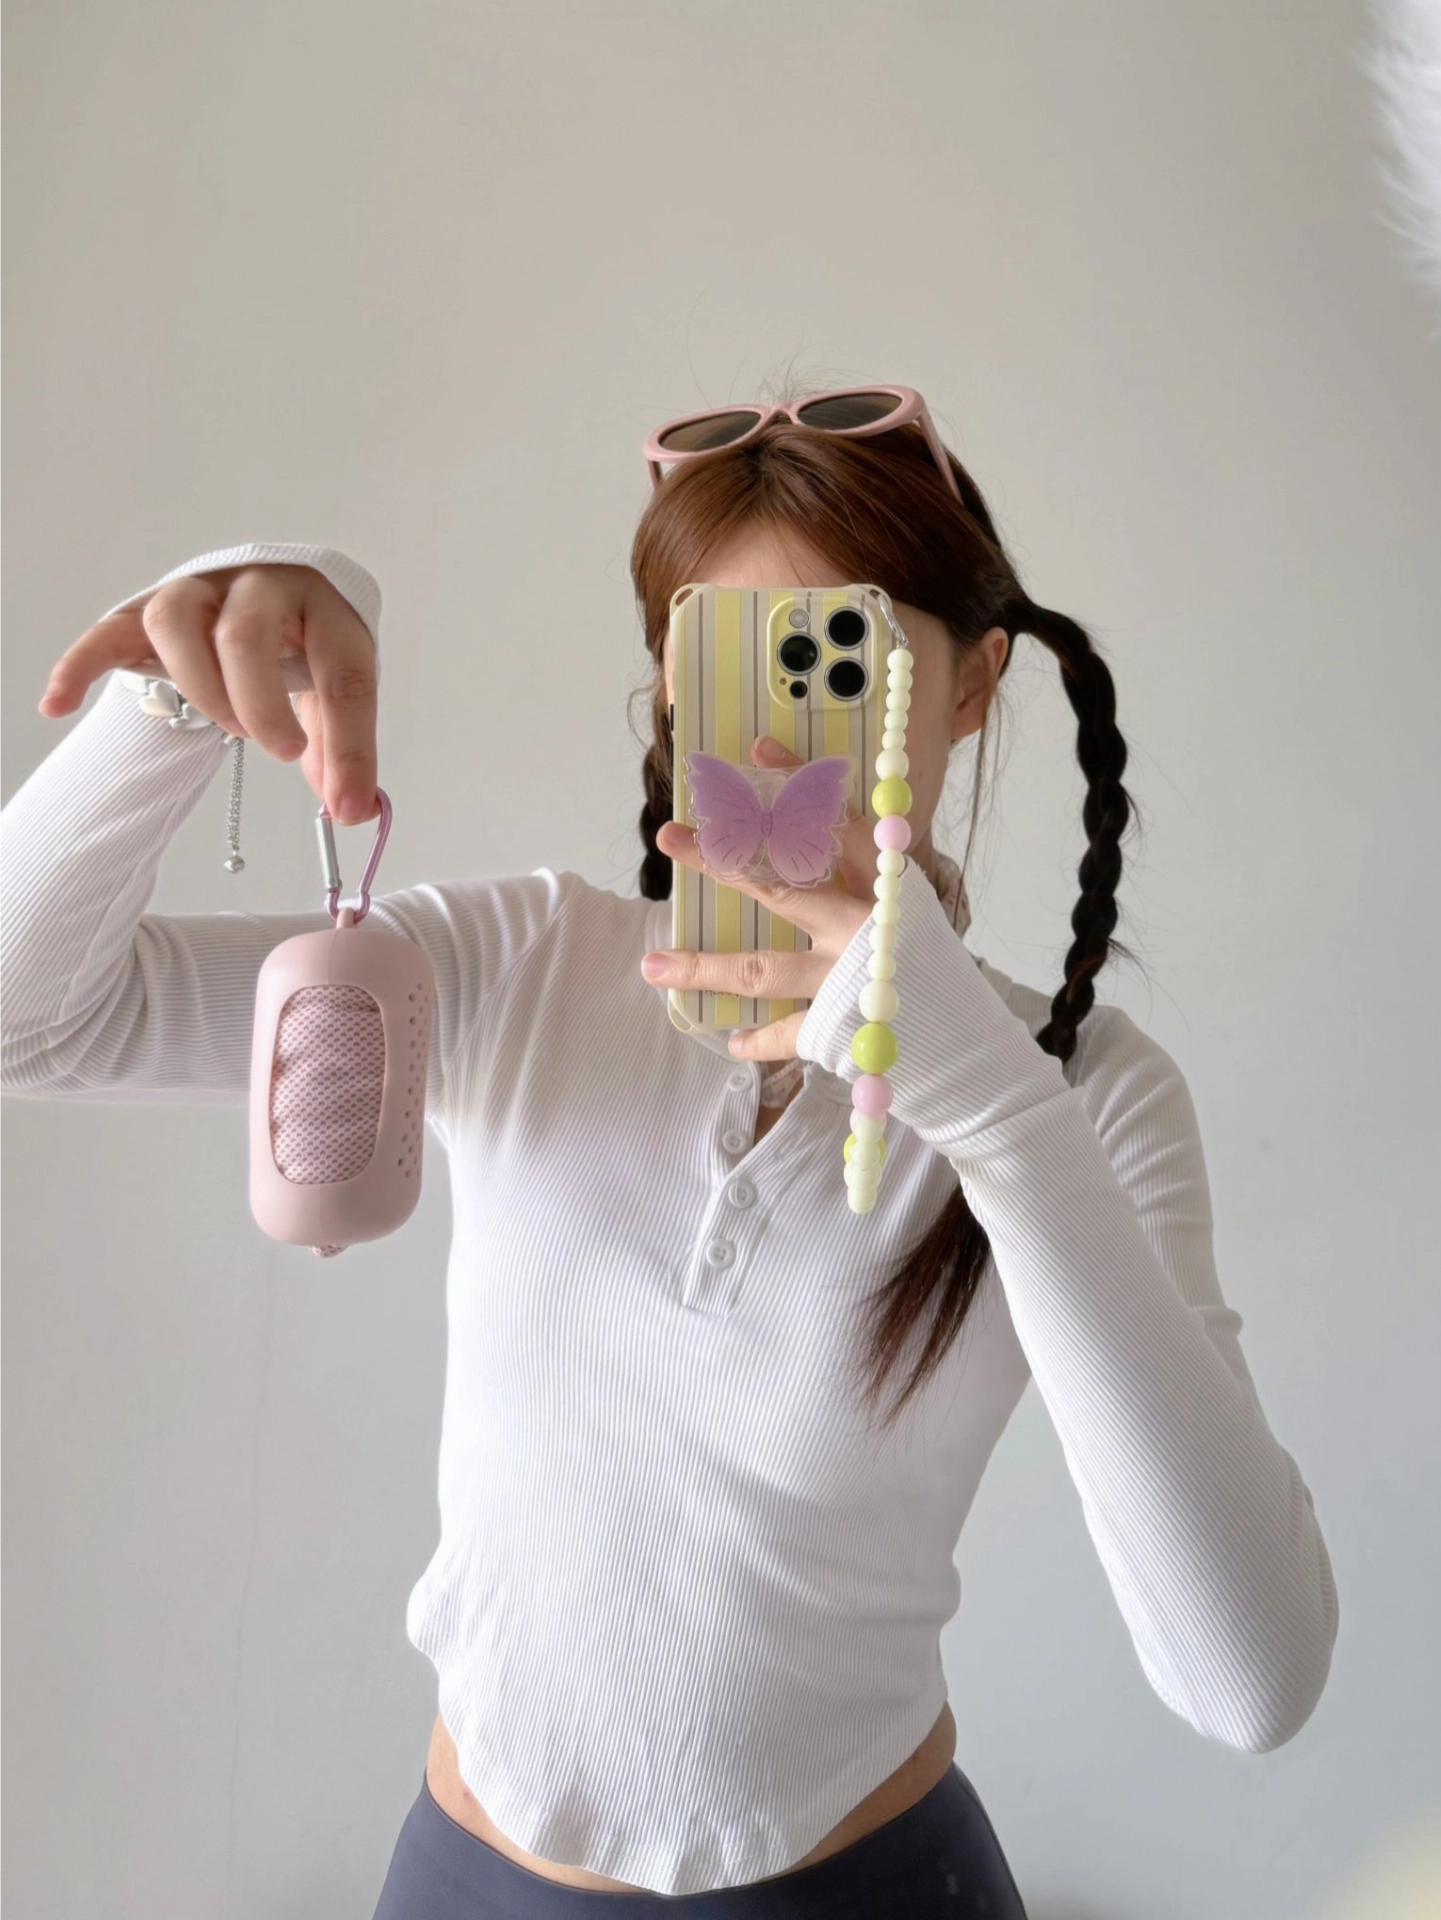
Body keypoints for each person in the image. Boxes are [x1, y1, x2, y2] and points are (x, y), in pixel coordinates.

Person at [0, 384, 1338, 1918]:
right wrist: (177, 695)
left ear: (976, 682)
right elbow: (30, 1025)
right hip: (469, 1886)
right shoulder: (517, 964)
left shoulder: (1086, 1096)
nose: (771, 725)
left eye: (838, 651)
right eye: (721, 652)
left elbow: (1252, 1682)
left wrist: (993, 1108)